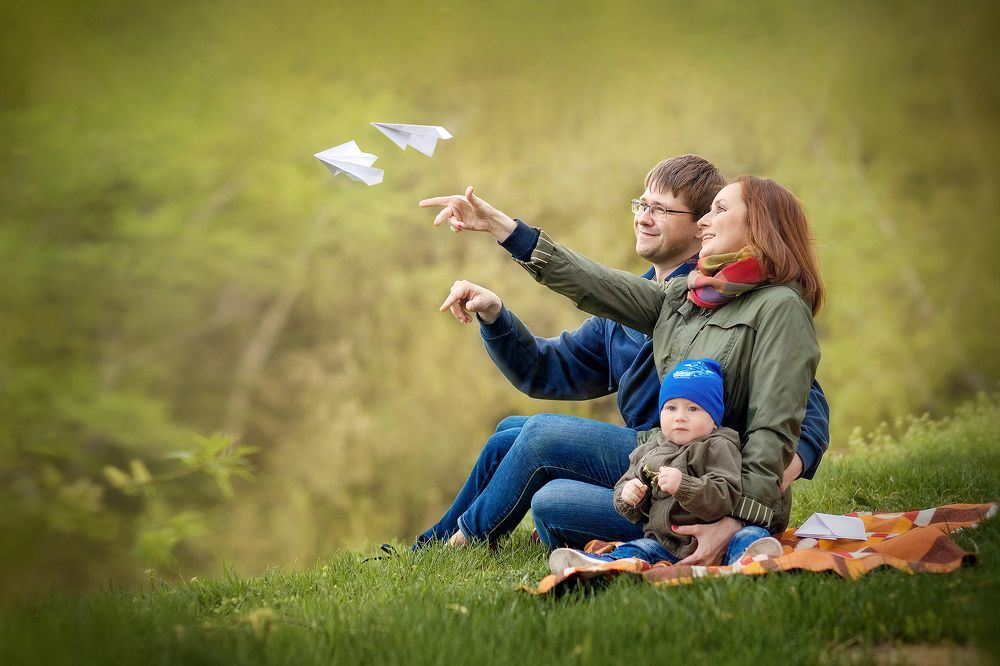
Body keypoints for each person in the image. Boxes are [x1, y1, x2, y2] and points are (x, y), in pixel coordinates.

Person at [417, 159, 829, 564]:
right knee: (531, 466)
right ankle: (431, 546)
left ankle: (462, 542)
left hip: (711, 476)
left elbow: (789, 417)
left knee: (541, 436)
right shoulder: (688, 295)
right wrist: (502, 232)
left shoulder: (775, 306)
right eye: (642, 205)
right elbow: (588, 285)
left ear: (757, 226)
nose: (646, 218)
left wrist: (739, 517)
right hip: (660, 462)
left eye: (716, 211)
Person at [548, 358, 781, 574]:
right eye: (671, 408)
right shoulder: (650, 448)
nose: (680, 417)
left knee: (751, 535)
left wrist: (684, 485)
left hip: (718, 536)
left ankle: (748, 561)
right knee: (639, 549)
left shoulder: (719, 446)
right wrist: (629, 497)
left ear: (713, 417)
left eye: (693, 409)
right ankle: (603, 565)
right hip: (665, 542)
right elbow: (627, 486)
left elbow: (724, 495)